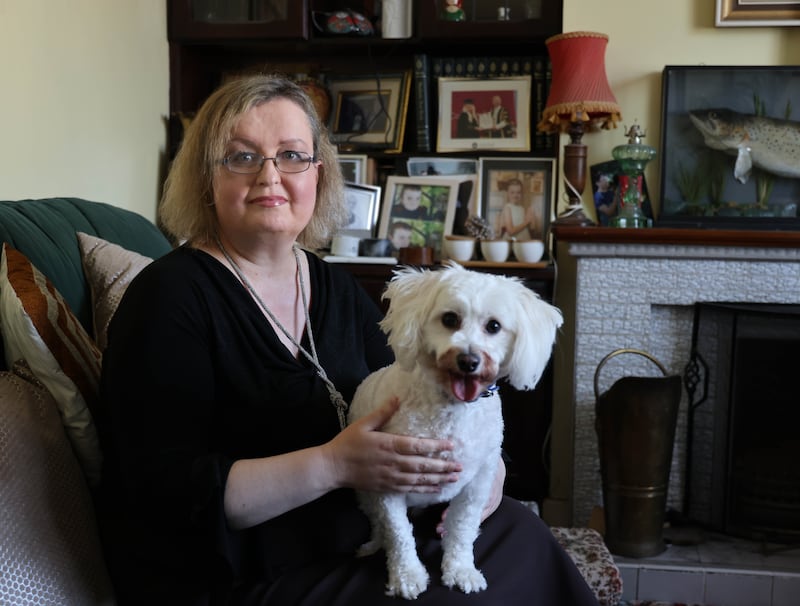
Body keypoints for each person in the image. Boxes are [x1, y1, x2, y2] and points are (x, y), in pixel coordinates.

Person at [95, 74, 600, 605]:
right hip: (229, 569)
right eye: (242, 157)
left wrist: (486, 466)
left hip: (353, 528)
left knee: (522, 535)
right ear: (206, 177)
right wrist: (336, 464)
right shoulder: (167, 298)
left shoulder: (331, 283)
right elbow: (165, 492)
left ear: (319, 173)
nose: (271, 176)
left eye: (291, 155)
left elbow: (416, 387)